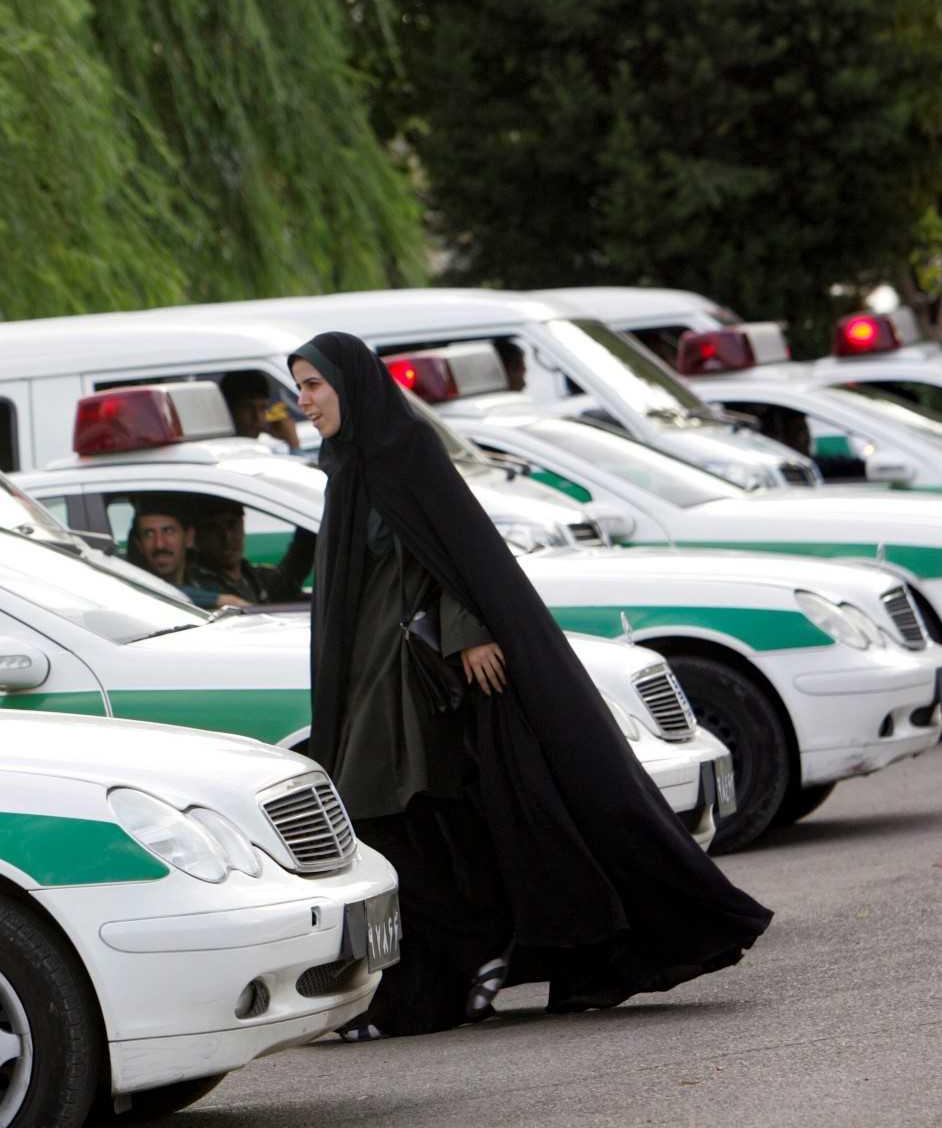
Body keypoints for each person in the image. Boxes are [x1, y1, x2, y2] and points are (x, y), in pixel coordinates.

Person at [289, 332, 771, 1039]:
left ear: (351, 385)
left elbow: (462, 546)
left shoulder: (405, 451)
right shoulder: (348, 464)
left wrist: (469, 628)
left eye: (313, 386)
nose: (303, 403)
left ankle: (443, 982)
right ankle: (448, 978)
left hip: (408, 683)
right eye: (298, 388)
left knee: (394, 819)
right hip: (367, 677)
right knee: (421, 827)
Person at [186, 497, 316, 605]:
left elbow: (295, 567)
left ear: (243, 526)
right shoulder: (195, 584)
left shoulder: (254, 577)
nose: (226, 537)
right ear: (197, 536)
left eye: (232, 524)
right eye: (213, 528)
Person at [122, 496, 236, 609]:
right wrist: (218, 600)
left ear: (189, 538)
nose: (159, 544)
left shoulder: (210, 586)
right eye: (149, 534)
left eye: (168, 531)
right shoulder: (128, 590)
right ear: (139, 545)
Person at [220, 371, 301, 451]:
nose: (258, 418)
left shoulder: (268, 448)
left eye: (263, 408)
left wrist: (292, 442)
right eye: (247, 408)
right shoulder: (219, 449)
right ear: (229, 409)